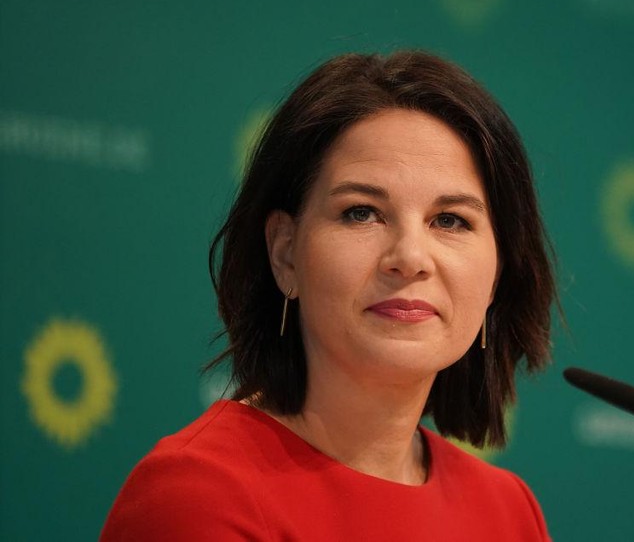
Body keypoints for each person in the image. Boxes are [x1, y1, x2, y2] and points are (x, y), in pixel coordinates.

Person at [100, 50, 556, 541]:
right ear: (286, 254)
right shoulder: (197, 496)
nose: (410, 257)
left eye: (450, 221)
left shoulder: (509, 512)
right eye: (362, 212)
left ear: (496, 275)